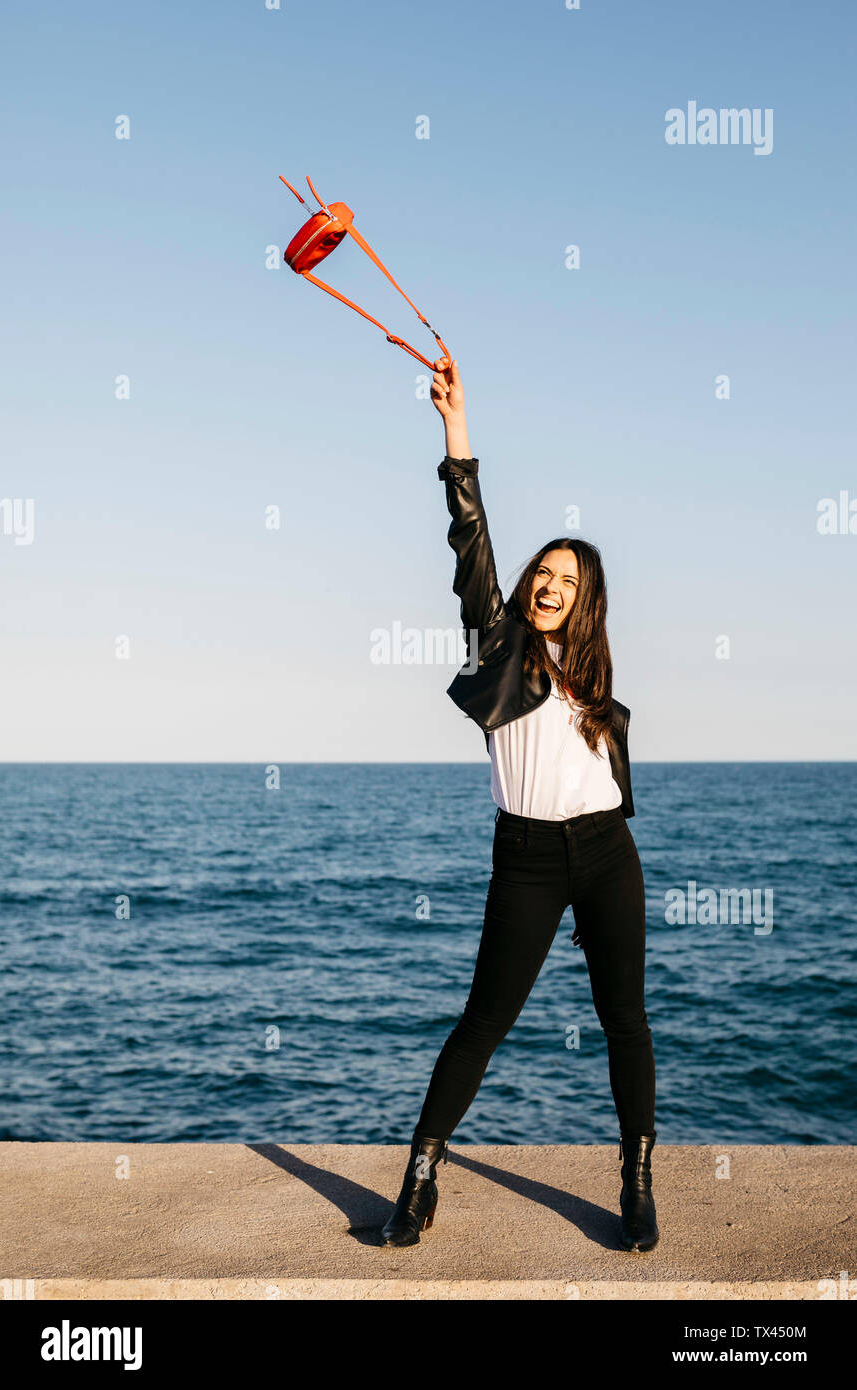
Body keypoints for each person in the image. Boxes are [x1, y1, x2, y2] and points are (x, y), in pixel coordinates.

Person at [380, 357, 658, 1253]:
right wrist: (457, 428)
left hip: (607, 853)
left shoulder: (598, 686)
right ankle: (420, 1177)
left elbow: (610, 785)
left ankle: (637, 1180)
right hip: (529, 857)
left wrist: (594, 875)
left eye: (567, 581)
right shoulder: (499, 647)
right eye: (544, 570)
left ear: (585, 603)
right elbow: (470, 541)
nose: (549, 584)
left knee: (626, 1018)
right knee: (483, 1021)